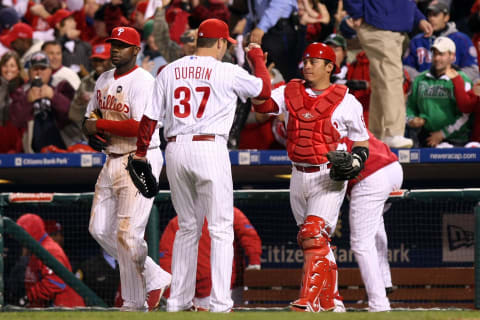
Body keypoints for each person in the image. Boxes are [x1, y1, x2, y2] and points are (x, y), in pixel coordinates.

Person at [134, 18, 271, 312]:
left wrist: (140, 154)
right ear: (221, 43)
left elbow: (149, 119)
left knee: (187, 228)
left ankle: (178, 301)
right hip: (210, 147)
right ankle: (220, 303)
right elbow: (264, 91)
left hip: (175, 148)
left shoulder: (169, 70)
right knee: (221, 228)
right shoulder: (225, 70)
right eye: (225, 44)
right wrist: (257, 58)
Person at [251, 42, 369, 312]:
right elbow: (261, 105)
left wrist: (356, 159)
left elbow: (362, 142)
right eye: (305, 60)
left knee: (313, 234)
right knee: (312, 241)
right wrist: (258, 65)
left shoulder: (346, 100)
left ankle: (308, 301)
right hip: (298, 173)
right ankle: (332, 300)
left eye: (314, 61)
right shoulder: (289, 91)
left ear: (330, 67)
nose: (307, 65)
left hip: (329, 175)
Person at [84, 26, 171, 312]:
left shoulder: (144, 81)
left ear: (136, 50)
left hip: (140, 157)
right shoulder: (103, 78)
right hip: (112, 157)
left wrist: (100, 125)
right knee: (98, 229)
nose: (115, 50)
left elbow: (140, 126)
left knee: (128, 234)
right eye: (113, 44)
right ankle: (155, 277)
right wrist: (91, 130)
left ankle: (134, 302)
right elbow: (91, 117)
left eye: (122, 45)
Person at [343, 0, 433, 149]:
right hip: (377, 25)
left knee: (381, 83)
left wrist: (418, 17)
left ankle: (377, 135)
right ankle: (393, 132)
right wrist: (356, 11)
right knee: (392, 78)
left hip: (393, 27)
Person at [158, 207, 262, 310]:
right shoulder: (177, 223)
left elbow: (249, 236)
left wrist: (170, 294)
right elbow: (166, 258)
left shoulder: (229, 212)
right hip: (205, 291)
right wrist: (254, 262)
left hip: (230, 288)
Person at [345, 131, 403, 312]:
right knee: (374, 222)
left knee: (361, 242)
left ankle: (379, 304)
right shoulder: (345, 108)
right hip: (393, 168)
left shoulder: (321, 124)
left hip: (370, 174)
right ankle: (384, 280)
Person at [407, 36, 472, 148]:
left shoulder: (463, 79)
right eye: (434, 54)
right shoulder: (420, 79)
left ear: (452, 56)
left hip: (456, 139)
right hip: (425, 138)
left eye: (441, 54)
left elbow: (466, 115)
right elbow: (410, 107)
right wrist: (412, 119)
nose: (436, 58)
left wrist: (442, 133)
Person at [9, 51, 75, 153]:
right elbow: (15, 121)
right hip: (31, 153)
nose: (39, 72)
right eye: (35, 69)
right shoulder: (20, 92)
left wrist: (54, 96)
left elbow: (73, 115)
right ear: (29, 72)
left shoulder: (62, 86)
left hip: (64, 149)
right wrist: (27, 101)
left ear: (50, 70)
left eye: (43, 68)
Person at [16, 213, 85, 308]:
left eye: (22, 231)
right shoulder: (36, 249)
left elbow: (56, 282)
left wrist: (29, 297)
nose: (18, 236)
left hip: (65, 307)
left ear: (32, 231)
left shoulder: (50, 249)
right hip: (52, 306)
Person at [404, 2, 479, 82]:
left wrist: (449, 80)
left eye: (435, 15)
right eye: (429, 15)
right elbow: (406, 68)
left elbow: (472, 70)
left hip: (452, 89)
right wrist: (424, 81)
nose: (431, 18)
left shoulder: (462, 40)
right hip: (423, 89)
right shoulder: (417, 40)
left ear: (446, 17)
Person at [244, 0, 300, 81]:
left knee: (286, 77)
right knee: (256, 77)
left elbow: (280, 3)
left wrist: (261, 27)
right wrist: (247, 31)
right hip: (260, 28)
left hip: (278, 30)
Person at [69, 42, 113, 144]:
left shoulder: (119, 80)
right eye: (95, 60)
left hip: (114, 136)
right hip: (90, 137)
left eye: (102, 60)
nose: (98, 64)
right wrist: (80, 103)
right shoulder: (85, 82)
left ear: (111, 60)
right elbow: (73, 116)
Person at [0, 51, 24, 153]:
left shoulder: (24, 90)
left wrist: (17, 148)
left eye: (12, 66)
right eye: (5, 66)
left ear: (18, 69)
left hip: (18, 148)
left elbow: (25, 126)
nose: (8, 69)